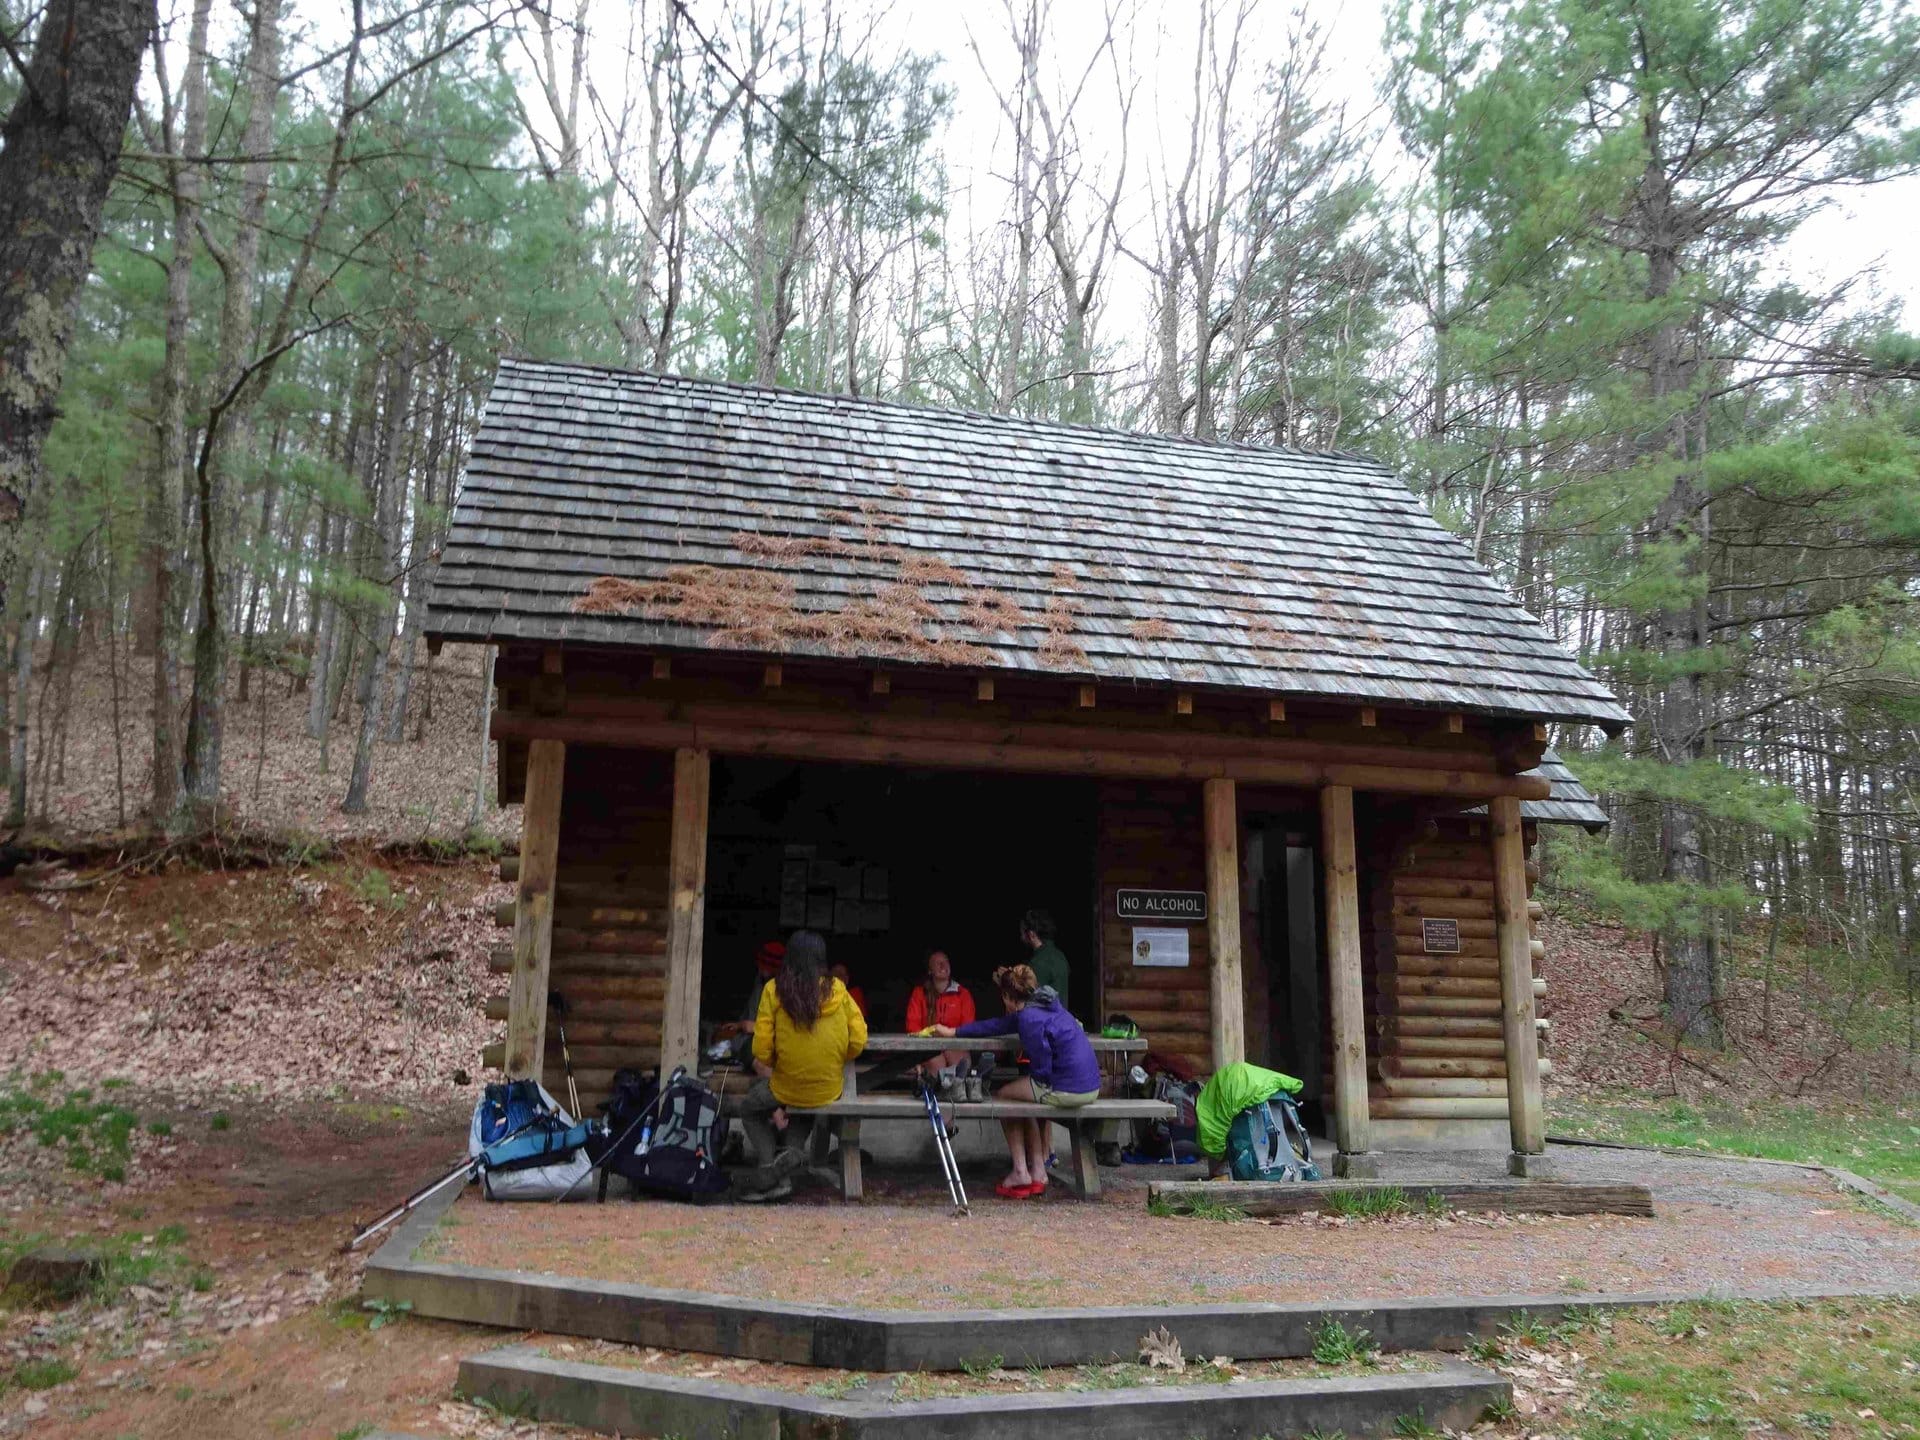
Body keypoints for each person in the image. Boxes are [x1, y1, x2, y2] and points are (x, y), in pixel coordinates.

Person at [935, 963, 1100, 1198]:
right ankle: (1038, 1171)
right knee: (1023, 1099)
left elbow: (1041, 1070)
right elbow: (997, 1025)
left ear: (1007, 997)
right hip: (1090, 1085)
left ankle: (1021, 1171)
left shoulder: (1029, 1020)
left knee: (1004, 1097)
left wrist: (1036, 1081)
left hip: (1067, 1088)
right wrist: (954, 1032)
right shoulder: (1045, 1005)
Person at [736, 930, 868, 1202]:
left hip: (787, 1084)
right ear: (822, 959)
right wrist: (838, 1056)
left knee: (749, 1108)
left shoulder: (774, 990)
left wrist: (779, 1063)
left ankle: (768, 1168)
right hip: (827, 1087)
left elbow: (761, 1049)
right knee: (807, 1104)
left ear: (789, 958)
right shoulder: (839, 991)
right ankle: (791, 1156)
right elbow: (859, 1039)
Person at [904, 949, 976, 1090]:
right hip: (928, 1046)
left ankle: (954, 1092)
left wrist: (948, 1041)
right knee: (937, 1065)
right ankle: (943, 1091)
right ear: (930, 971)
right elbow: (912, 1026)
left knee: (962, 1062)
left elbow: (968, 1027)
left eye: (946, 962)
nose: (943, 966)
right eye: (938, 963)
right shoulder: (919, 993)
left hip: (955, 1045)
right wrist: (933, 1038)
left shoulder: (963, 994)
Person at [1019, 908, 1070, 1012]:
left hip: (1046, 1024)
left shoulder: (1037, 963)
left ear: (1031, 935)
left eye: (1022, 933)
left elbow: (1026, 1002)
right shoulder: (1060, 956)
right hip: (1062, 1020)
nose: (1021, 937)